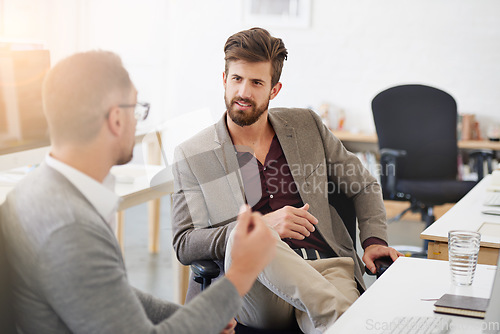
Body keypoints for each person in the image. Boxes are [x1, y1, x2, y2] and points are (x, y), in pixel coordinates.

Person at [0, 50, 277, 334]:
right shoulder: (71, 229)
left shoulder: (33, 190)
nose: (137, 121)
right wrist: (240, 274)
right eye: (136, 109)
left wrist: (201, 316)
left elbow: (112, 294)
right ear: (117, 119)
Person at [171, 28, 402, 333]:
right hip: (254, 284)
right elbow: (184, 242)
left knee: (335, 323)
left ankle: (344, 321)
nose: (243, 92)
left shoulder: (306, 126)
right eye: (237, 79)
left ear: (274, 90)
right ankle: (356, 322)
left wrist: (374, 241)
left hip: (326, 269)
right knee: (258, 237)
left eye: (256, 83)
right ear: (224, 80)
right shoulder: (194, 154)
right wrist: (263, 226)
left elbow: (363, 183)